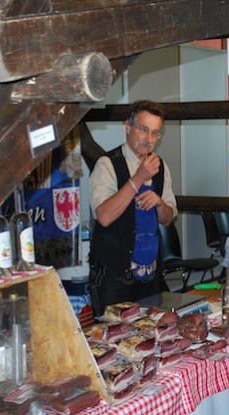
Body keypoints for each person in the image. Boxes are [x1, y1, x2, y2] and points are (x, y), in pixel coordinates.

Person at [88, 100, 177, 316]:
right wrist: (138, 179)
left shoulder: (161, 167)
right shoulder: (107, 165)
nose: (149, 139)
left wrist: (159, 203)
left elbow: (168, 218)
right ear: (128, 127)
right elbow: (104, 217)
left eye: (155, 133)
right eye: (143, 130)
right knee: (113, 341)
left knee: (150, 337)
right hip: (114, 276)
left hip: (150, 276)